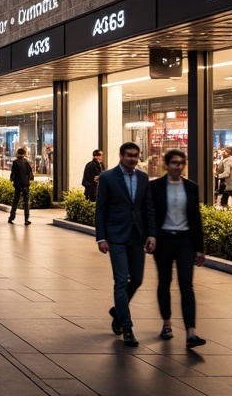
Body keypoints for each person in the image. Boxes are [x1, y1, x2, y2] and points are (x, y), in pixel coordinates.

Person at [95, 141, 157, 347]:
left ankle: (117, 311)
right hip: (116, 237)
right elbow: (101, 209)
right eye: (129, 155)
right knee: (121, 281)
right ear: (121, 156)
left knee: (137, 280)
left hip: (137, 236)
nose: (132, 159)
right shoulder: (107, 177)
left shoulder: (142, 177)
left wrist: (151, 234)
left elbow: (148, 208)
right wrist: (101, 237)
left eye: (136, 155)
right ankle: (127, 328)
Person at [151, 149, 206, 348]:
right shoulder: (155, 186)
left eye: (182, 163)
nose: (179, 166)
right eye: (175, 163)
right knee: (164, 282)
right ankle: (167, 322)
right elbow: (150, 214)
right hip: (164, 240)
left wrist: (200, 248)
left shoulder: (191, 187)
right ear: (166, 165)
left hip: (185, 241)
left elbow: (196, 219)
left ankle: (191, 332)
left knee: (186, 284)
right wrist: (150, 237)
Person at [8, 147, 34, 225]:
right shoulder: (26, 162)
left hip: (18, 184)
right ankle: (26, 219)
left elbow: (13, 173)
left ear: (18, 153)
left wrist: (12, 179)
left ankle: (11, 217)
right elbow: (30, 173)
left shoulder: (15, 162)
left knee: (16, 200)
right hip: (26, 184)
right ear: (24, 154)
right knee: (26, 202)